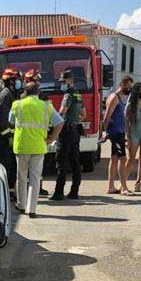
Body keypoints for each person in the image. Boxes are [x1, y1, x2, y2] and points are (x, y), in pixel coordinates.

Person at [10, 80, 64, 218]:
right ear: (38, 93)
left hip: (21, 146)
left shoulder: (17, 105)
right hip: (39, 146)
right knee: (35, 178)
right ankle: (32, 209)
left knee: (21, 177)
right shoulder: (46, 106)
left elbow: (10, 120)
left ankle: (21, 205)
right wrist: (51, 138)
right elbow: (59, 122)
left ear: (25, 92)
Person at [51, 69, 85, 201]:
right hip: (75, 130)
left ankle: (59, 192)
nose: (62, 84)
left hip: (66, 131)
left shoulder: (68, 95)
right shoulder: (78, 94)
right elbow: (84, 115)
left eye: (64, 81)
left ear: (70, 80)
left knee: (61, 162)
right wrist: (75, 121)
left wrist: (54, 123)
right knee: (75, 161)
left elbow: (61, 112)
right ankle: (74, 191)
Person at [102, 77, 133, 194]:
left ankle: (111, 187)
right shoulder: (114, 98)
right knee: (122, 158)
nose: (129, 88)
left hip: (118, 132)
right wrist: (106, 132)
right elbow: (107, 116)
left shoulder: (119, 98)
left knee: (114, 158)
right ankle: (124, 187)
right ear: (123, 84)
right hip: (115, 132)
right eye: (129, 86)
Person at [23, 69, 51, 196]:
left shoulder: (39, 96)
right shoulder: (24, 97)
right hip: (32, 136)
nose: (39, 83)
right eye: (37, 81)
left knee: (35, 168)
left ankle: (37, 188)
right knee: (29, 169)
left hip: (35, 136)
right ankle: (31, 190)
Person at [123, 82, 141, 193]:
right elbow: (126, 122)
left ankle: (138, 181)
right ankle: (123, 183)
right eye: (140, 90)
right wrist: (127, 137)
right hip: (133, 133)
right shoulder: (130, 105)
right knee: (130, 159)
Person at [0, 68, 21, 193]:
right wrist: (8, 136)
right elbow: (1, 120)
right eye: (17, 80)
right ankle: (2, 193)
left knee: (11, 167)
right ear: (11, 81)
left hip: (9, 136)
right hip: (4, 138)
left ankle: (9, 191)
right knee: (4, 166)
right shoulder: (5, 95)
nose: (19, 82)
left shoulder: (11, 94)